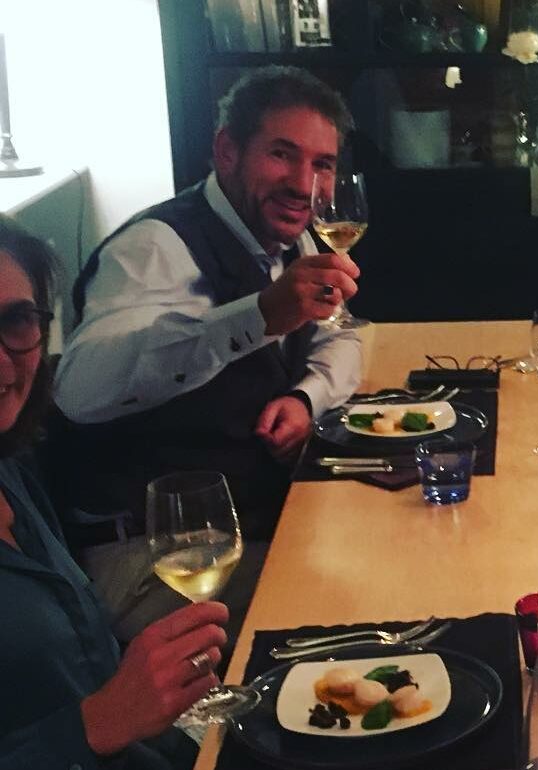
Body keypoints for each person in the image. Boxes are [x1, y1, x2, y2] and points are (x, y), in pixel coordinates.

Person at [47, 66, 362, 640]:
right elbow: (79, 391)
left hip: (251, 523)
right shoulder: (154, 248)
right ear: (227, 151)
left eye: (323, 164)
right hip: (148, 558)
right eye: (282, 154)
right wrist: (259, 316)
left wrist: (305, 397)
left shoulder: (293, 238)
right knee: (357, 596)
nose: (304, 184)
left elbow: (342, 335)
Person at [0, 214, 226, 770]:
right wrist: (100, 722)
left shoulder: (13, 470)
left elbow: (92, 666)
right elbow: (102, 718)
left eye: (16, 320)